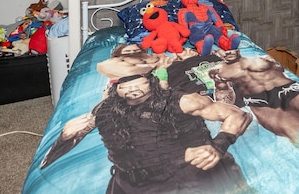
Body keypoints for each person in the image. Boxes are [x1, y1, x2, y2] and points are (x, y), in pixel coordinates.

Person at [40, 72, 253, 193]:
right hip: (127, 183)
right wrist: (64, 137)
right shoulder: (103, 110)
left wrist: (218, 145)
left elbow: (239, 115)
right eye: (123, 84)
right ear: (113, 90)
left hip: (187, 179)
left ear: (151, 82)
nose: (131, 88)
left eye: (138, 82)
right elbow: (49, 161)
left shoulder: (182, 100)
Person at [209, 48, 299, 144]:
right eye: (222, 49)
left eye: (229, 45)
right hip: (261, 102)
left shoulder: (259, 56)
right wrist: (220, 85)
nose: (227, 51)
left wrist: (271, 64)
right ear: (216, 52)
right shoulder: (218, 70)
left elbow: (281, 69)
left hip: (288, 89)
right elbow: (225, 101)